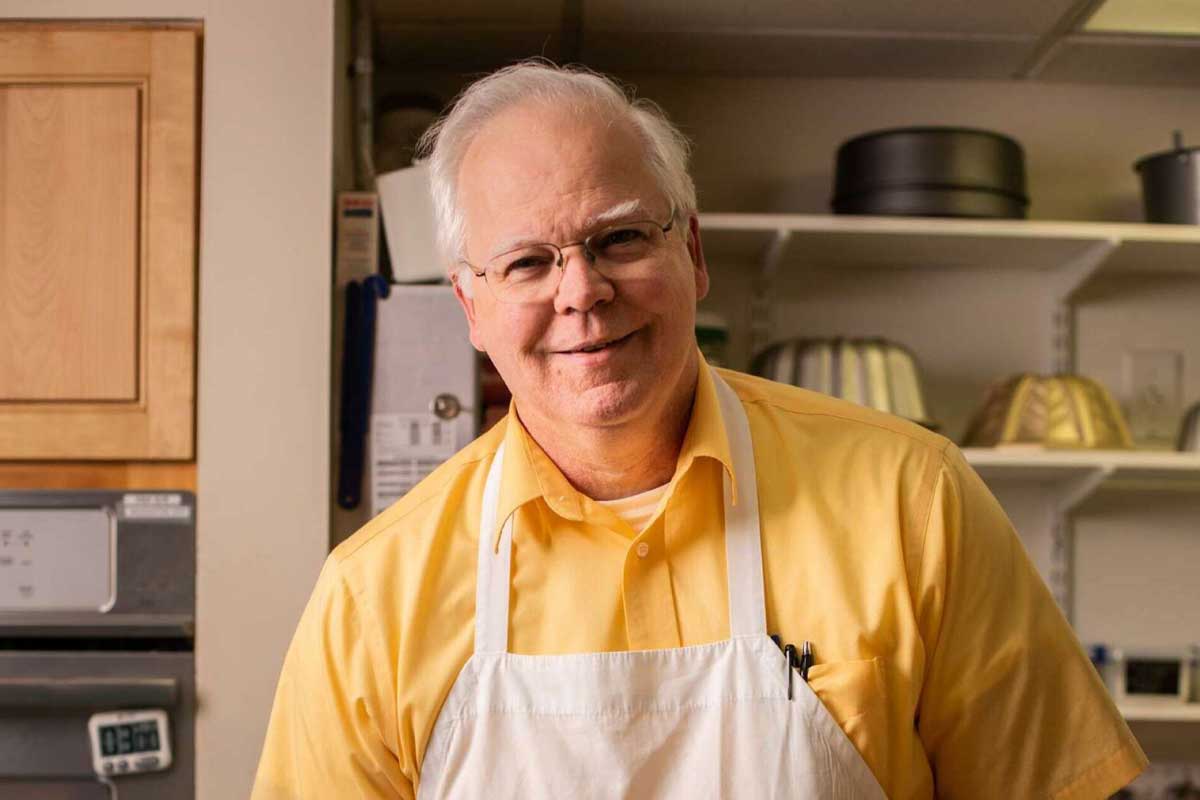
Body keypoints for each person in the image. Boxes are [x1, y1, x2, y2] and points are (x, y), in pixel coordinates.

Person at [252, 61, 1147, 799]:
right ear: (470, 307)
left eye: (620, 239)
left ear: (694, 253)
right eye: (527, 262)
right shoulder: (373, 597)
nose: (580, 293)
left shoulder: (913, 501)